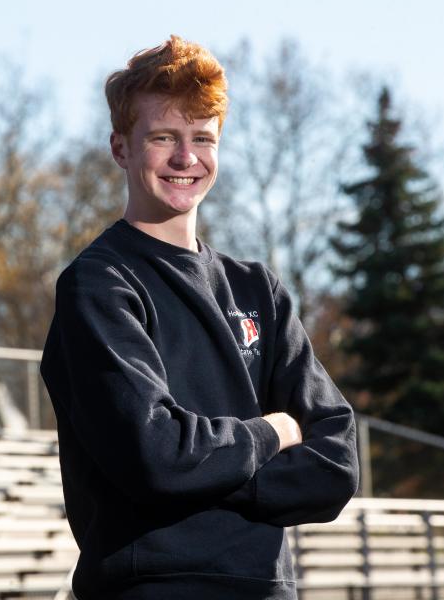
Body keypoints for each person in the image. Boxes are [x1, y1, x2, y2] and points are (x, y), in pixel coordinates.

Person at [39, 36, 359, 600]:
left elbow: (335, 461)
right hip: (153, 588)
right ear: (121, 148)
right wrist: (270, 432)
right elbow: (156, 453)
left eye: (202, 139)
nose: (186, 159)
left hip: (267, 589)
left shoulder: (259, 290)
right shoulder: (99, 284)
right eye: (164, 138)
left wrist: (205, 474)